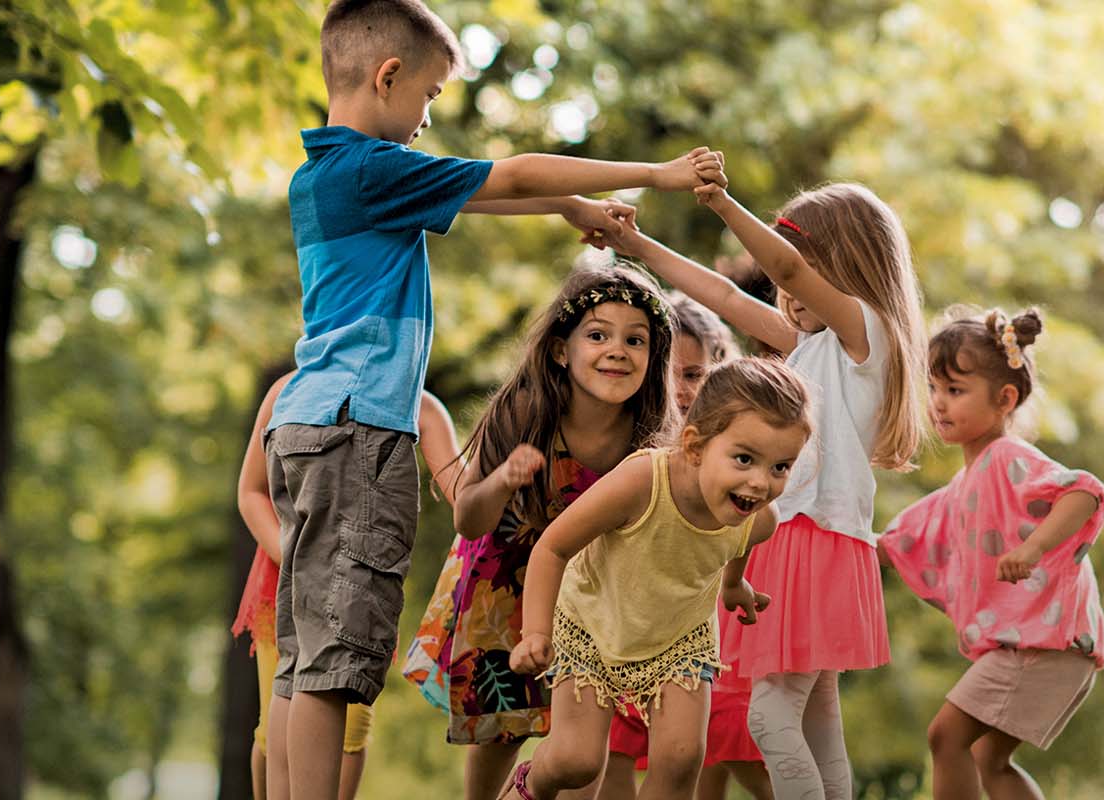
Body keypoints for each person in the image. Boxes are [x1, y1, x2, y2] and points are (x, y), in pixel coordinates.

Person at [265, 1, 718, 795]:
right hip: (356, 431)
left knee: (310, 660)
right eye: (432, 97)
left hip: (307, 430)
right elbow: (508, 175)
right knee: (339, 664)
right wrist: (654, 173)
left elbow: (480, 193)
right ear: (388, 76)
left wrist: (569, 210)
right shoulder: (372, 170)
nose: (428, 117)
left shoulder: (326, 176)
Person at [607, 177, 928, 798]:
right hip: (799, 543)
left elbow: (781, 261)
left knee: (767, 715)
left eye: (800, 274)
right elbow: (725, 296)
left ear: (845, 266)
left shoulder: (867, 337)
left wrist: (722, 203)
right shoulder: (813, 347)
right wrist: (637, 245)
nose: (784, 288)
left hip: (815, 541)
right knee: (815, 719)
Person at [503, 358, 815, 800]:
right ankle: (529, 784)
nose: (760, 483)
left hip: (680, 639)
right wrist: (535, 632)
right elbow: (553, 547)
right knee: (576, 762)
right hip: (593, 623)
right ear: (694, 447)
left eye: (781, 467)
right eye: (744, 459)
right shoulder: (643, 481)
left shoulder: (760, 519)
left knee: (682, 757)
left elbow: (739, 546)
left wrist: (732, 586)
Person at [441, 266, 677, 800]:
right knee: (506, 726)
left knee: (580, 745)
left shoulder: (650, 436)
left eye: (635, 340)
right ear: (559, 352)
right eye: (598, 335)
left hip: (591, 598)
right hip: (507, 587)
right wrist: (503, 478)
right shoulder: (525, 411)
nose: (617, 350)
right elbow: (468, 518)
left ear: (653, 357)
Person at [880, 307, 1104, 800]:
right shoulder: (965, 483)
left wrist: (1033, 546)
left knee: (947, 736)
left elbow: (1082, 493)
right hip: (1045, 645)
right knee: (989, 759)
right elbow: (897, 540)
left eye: (955, 391)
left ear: (1005, 399)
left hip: (1044, 643)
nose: (939, 404)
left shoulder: (1007, 458)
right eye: (934, 389)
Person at [234, 374, 465, 800]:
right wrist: (303, 564)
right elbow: (251, 493)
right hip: (284, 587)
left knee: (350, 727)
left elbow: (464, 495)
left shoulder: (420, 407)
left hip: (361, 589)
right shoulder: (289, 392)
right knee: (273, 729)